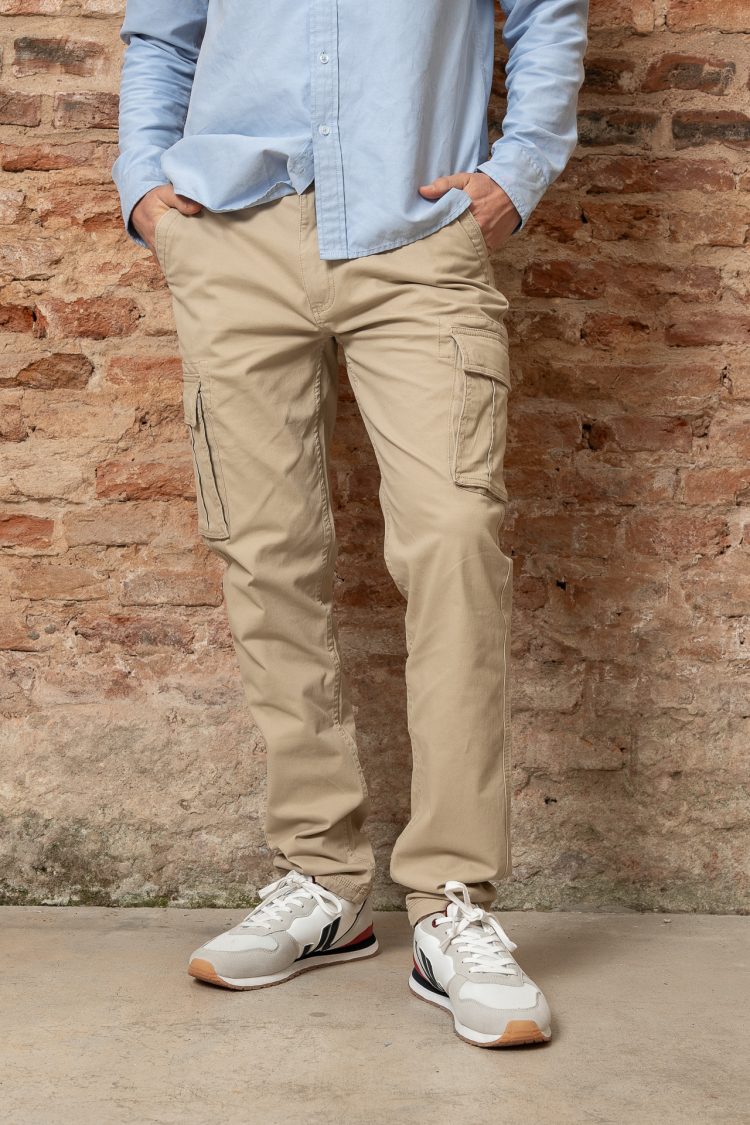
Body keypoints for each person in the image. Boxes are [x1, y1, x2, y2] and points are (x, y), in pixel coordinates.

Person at [113, 0, 588, 1048]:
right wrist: (144, 184)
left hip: (413, 234)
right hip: (230, 234)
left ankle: (452, 898)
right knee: (264, 553)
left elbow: (547, 14)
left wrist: (516, 172)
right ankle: (321, 881)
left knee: (454, 539)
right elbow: (162, 35)